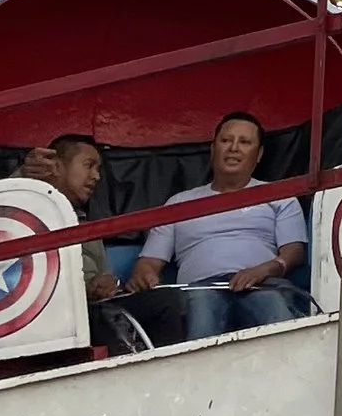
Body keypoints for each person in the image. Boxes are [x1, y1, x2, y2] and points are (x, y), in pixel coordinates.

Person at [127, 112, 307, 339]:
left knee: (271, 307)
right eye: (225, 140)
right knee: (202, 311)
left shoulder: (280, 196)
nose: (233, 148)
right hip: (199, 290)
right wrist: (144, 275)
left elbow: (294, 251)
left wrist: (263, 270)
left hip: (263, 283)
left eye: (244, 142)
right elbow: (149, 262)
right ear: (213, 150)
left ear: (259, 154)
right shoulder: (178, 203)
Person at [23, 133, 156, 352]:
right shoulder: (25, 212)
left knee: (165, 303)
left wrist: (104, 283)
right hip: (51, 310)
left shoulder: (88, 225)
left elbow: (103, 276)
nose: (96, 176)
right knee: (108, 319)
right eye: (89, 165)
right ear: (56, 167)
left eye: (98, 169)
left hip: (92, 306)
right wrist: (23, 176)